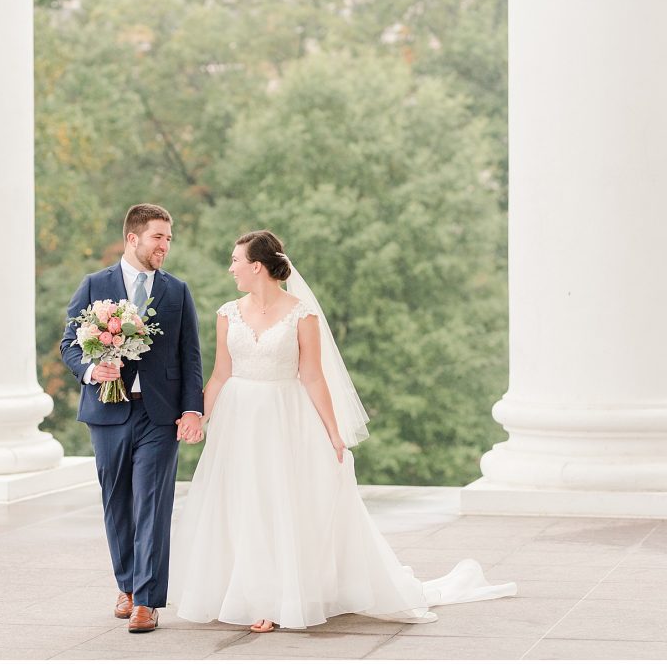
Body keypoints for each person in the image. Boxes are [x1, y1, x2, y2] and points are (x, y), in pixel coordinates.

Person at [167, 230, 516, 633]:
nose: (231, 268)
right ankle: (245, 591)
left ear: (256, 266)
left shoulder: (301, 314)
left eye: (235, 261)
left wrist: (333, 433)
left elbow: (313, 377)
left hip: (284, 418)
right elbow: (220, 374)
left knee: (277, 502)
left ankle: (271, 599)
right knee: (244, 501)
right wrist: (199, 417)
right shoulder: (228, 313)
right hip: (239, 419)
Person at [60, 203, 204, 633]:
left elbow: (190, 356)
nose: (165, 245)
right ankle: (125, 586)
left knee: (152, 504)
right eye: (158, 237)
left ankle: (146, 600)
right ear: (133, 238)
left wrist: (191, 408)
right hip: (107, 411)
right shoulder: (94, 285)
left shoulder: (177, 291)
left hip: (159, 416)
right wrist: (90, 369)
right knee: (116, 501)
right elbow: (70, 342)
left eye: (169, 239)